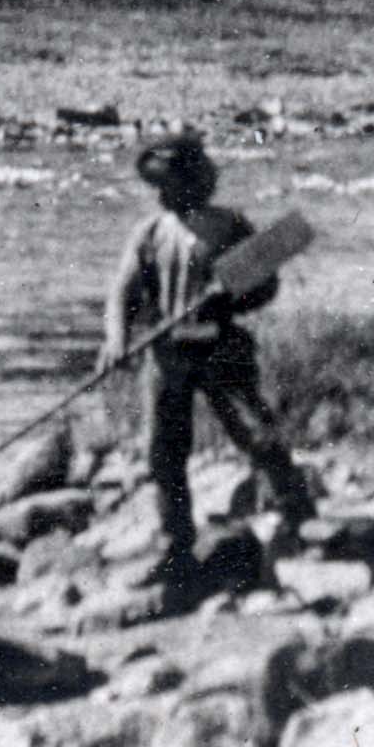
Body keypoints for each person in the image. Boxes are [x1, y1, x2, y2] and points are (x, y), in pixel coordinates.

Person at [104, 129, 317, 605]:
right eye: (158, 185)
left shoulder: (230, 226)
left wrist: (233, 291)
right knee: (164, 452)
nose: (163, 193)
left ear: (195, 180)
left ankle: (300, 518)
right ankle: (175, 544)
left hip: (220, 347)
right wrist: (117, 339)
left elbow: (266, 286)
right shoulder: (150, 233)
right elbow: (122, 292)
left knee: (257, 434)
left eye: (172, 182)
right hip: (167, 357)